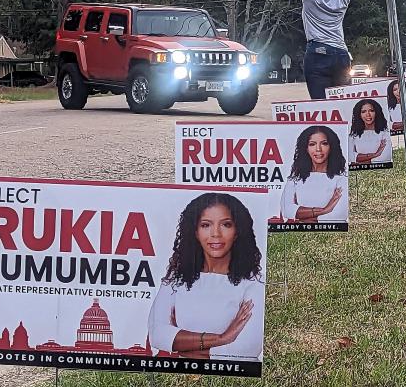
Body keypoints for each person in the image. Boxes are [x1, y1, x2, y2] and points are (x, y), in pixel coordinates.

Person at [148, 193, 265, 360]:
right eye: (205, 225)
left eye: (226, 224)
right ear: (195, 232)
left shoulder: (254, 284)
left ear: (237, 231)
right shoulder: (177, 278)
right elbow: (157, 334)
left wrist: (182, 347)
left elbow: (247, 349)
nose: (215, 233)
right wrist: (222, 338)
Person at [280, 125, 348, 223]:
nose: (318, 149)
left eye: (324, 143)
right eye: (312, 144)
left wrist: (302, 217)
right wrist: (326, 210)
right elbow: (287, 210)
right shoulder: (295, 178)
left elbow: (339, 215)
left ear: (331, 147)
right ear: (306, 148)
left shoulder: (342, 179)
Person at [349, 98, 391, 166]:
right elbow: (350, 157)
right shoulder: (353, 135)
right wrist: (375, 154)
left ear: (377, 112)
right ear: (359, 114)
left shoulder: (385, 134)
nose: (368, 114)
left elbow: (385, 158)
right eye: (363, 111)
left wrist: (359, 161)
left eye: (371, 111)